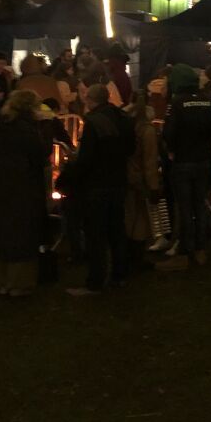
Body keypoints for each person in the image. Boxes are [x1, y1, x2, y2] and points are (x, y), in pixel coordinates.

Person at [66, 83, 136, 295]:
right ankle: (119, 275)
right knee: (116, 230)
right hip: (119, 181)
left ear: (89, 100)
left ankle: (96, 281)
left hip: (97, 184)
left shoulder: (94, 122)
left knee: (96, 234)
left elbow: (86, 158)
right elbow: (131, 148)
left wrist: (74, 171)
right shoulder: (123, 118)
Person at [0, 90, 50, 297]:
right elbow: (40, 156)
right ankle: (19, 283)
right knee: (22, 234)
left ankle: (4, 281)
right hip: (23, 187)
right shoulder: (28, 132)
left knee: (2, 232)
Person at [156, 64, 211, 271]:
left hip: (182, 161)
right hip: (203, 161)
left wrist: (173, 149)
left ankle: (184, 252)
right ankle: (201, 250)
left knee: (184, 208)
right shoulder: (208, 101)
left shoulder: (176, 103)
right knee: (200, 206)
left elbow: (168, 133)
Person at [124, 91, 160, 272]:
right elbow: (150, 161)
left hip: (124, 176)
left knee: (127, 216)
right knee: (139, 219)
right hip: (139, 179)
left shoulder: (123, 123)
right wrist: (153, 186)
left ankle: (125, 254)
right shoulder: (146, 129)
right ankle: (136, 258)